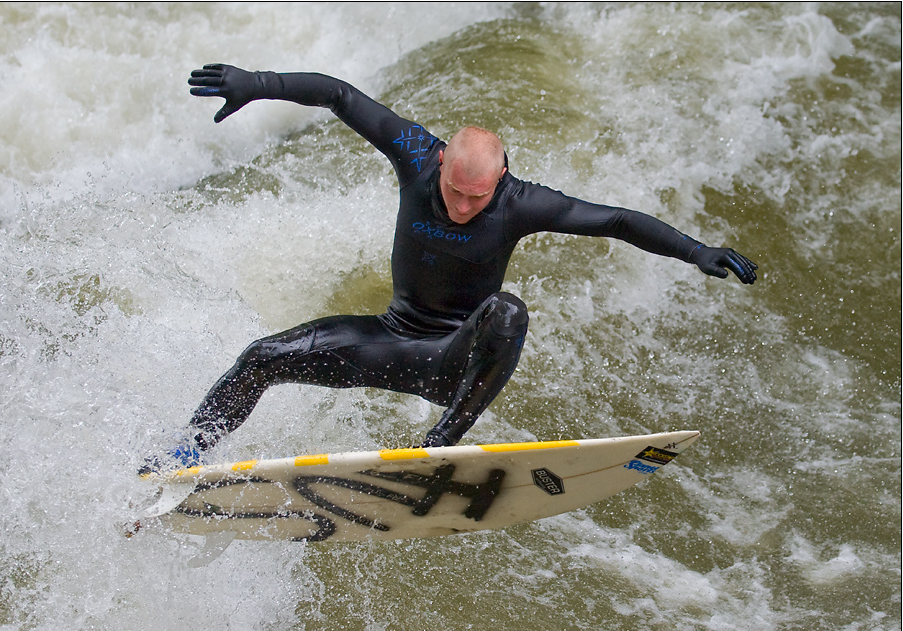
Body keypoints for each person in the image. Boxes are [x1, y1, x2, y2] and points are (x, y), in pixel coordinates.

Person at [140, 63, 758, 473]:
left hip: (454, 361)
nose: (463, 206)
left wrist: (696, 250)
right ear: (440, 165)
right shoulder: (415, 153)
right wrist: (257, 82)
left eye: (477, 197)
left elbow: (617, 221)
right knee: (262, 357)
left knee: (509, 311)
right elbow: (338, 96)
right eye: (455, 191)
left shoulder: (522, 202)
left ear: (501, 177)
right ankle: (180, 457)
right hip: (390, 338)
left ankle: (439, 447)